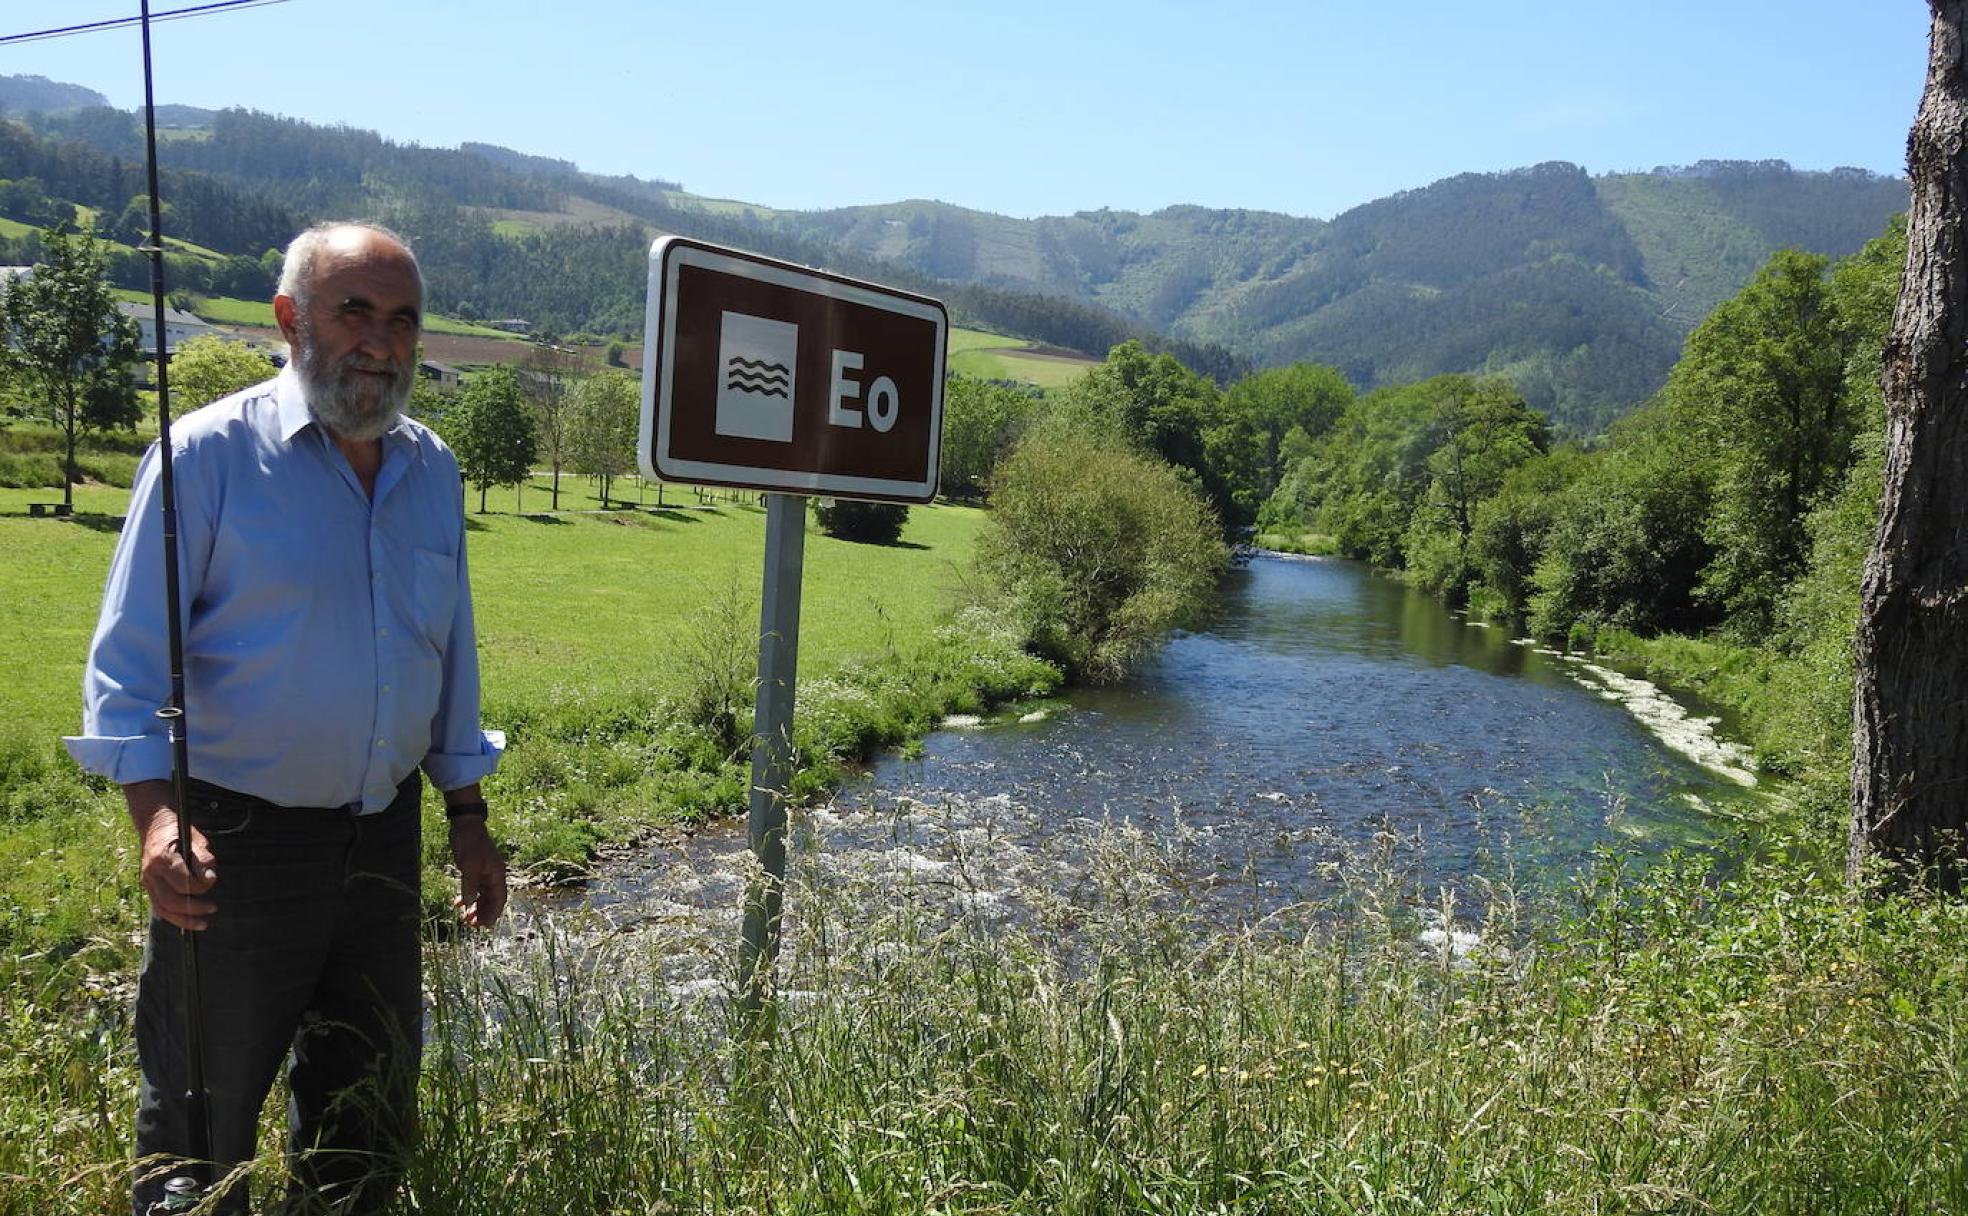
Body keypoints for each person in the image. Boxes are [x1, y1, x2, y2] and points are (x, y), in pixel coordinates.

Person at [65, 221, 508, 1215]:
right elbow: (127, 669)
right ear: (288, 318)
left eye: (403, 319)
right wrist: (156, 819)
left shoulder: (433, 471)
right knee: (197, 1131)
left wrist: (467, 812)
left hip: (384, 840)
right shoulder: (204, 458)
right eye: (355, 309)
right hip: (236, 845)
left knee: (367, 1110)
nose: (381, 341)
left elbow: (452, 658)